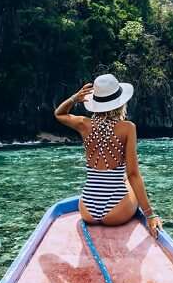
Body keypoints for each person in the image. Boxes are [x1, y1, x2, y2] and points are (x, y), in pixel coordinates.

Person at [54, 74, 163, 238]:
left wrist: (74, 98)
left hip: (87, 210)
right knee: (127, 178)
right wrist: (150, 215)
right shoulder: (127, 128)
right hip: (116, 212)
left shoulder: (84, 123)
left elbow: (59, 114)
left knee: (123, 179)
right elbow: (133, 174)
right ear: (120, 102)